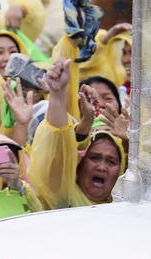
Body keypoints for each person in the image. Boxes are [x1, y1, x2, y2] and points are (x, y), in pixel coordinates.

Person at [27, 59, 125, 209]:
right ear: (78, 164)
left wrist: (130, 142)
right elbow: (58, 146)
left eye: (111, 161)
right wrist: (58, 94)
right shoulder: (61, 194)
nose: (102, 167)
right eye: (94, 157)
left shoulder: (127, 207)